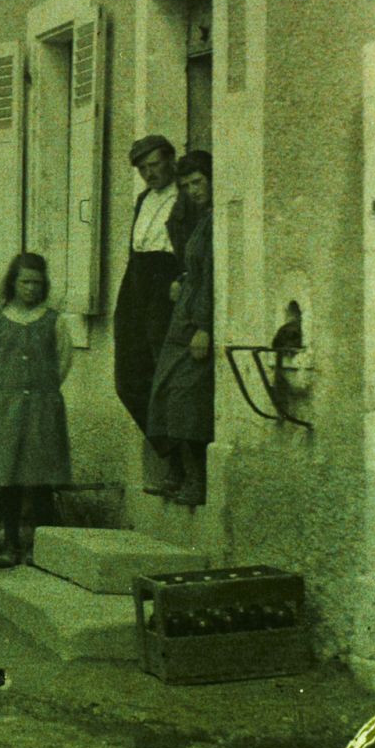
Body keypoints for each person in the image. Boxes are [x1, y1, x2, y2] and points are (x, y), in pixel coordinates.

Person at [0, 252, 76, 567]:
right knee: (9, 479)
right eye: (24, 282)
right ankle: (10, 546)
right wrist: (7, 393)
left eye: (36, 282)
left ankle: (39, 549)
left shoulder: (54, 321)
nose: (30, 289)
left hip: (43, 409)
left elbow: (63, 361)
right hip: (7, 408)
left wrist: (43, 390)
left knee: (41, 478)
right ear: (13, 283)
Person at [111, 134, 198, 494]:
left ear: (171, 160)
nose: (149, 173)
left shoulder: (187, 199)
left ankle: (185, 468)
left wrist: (182, 280)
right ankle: (167, 453)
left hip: (168, 284)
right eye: (142, 168)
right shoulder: (143, 200)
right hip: (137, 283)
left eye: (155, 165)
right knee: (129, 378)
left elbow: (192, 245)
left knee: (169, 377)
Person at [145, 152, 215, 506]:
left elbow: (215, 278)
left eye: (198, 182)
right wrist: (183, 279)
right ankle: (178, 473)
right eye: (186, 185)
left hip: (198, 319)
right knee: (166, 392)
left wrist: (205, 327)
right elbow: (195, 266)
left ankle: (197, 481)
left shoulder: (218, 223)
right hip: (183, 314)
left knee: (188, 399)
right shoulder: (199, 221)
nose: (192, 190)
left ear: (213, 180)